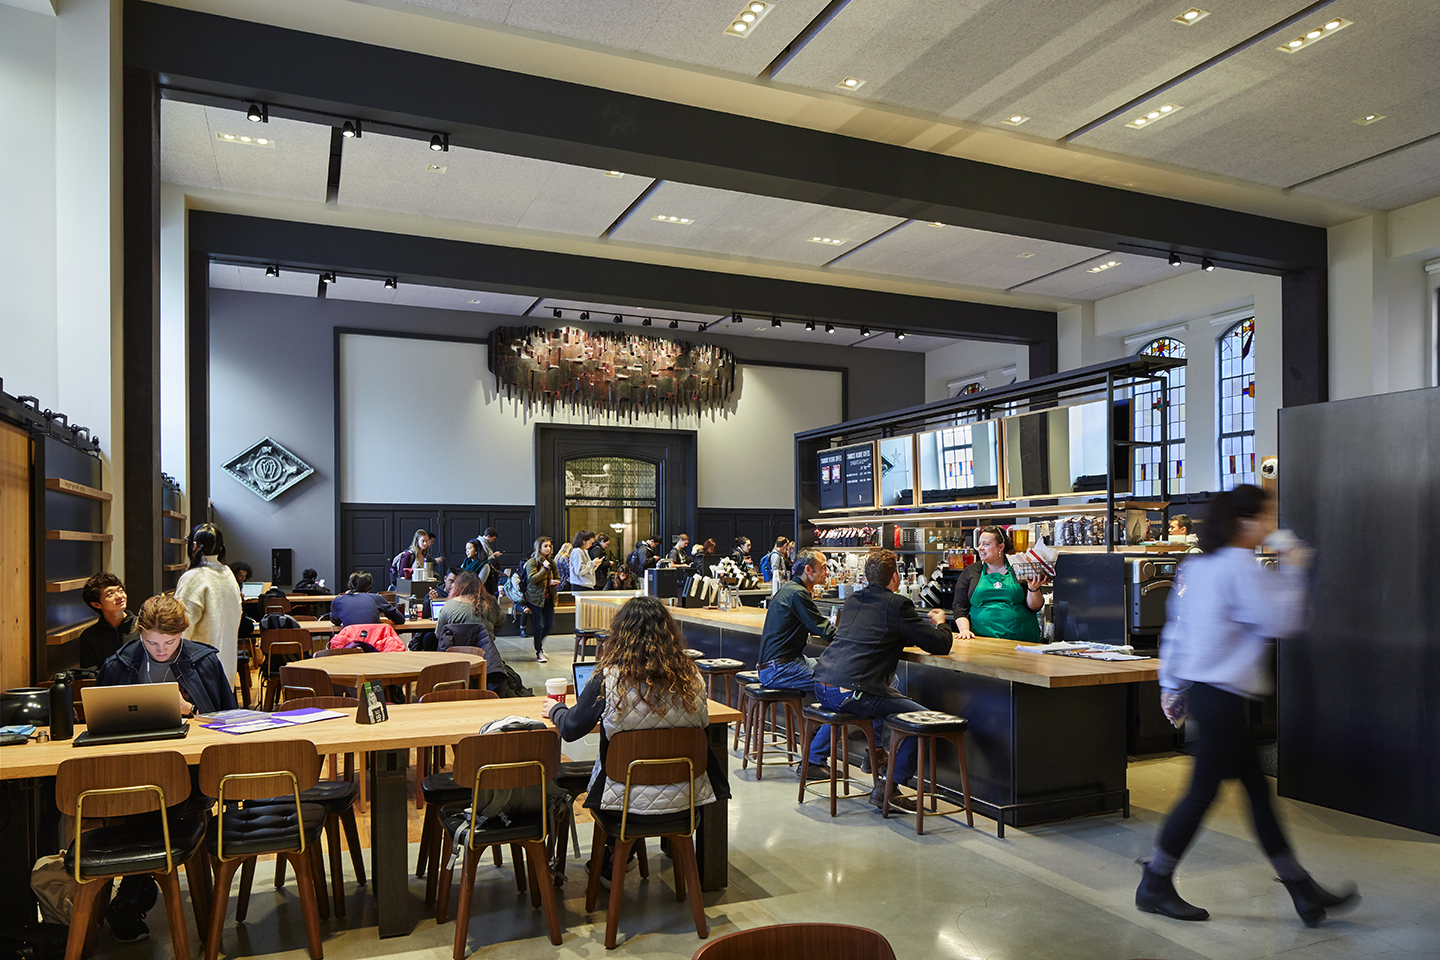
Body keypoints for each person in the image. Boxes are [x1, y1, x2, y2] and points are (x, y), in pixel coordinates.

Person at [1138, 485, 1358, 927]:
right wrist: (1294, 569)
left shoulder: (1199, 567)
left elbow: (1177, 632)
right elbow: (1285, 621)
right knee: (1204, 793)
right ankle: (1155, 882)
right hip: (1223, 696)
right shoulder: (1240, 567)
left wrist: (1171, 686)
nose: (1274, 520)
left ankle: (1301, 888)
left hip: (1209, 693)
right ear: (1246, 521)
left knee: (1256, 794)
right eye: (1269, 513)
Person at [541, 596, 727, 876]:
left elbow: (569, 730)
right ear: (669, 634)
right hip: (685, 800)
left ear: (620, 634)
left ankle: (614, 858)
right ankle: (621, 857)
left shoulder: (609, 678)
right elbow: (700, 729)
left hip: (622, 804)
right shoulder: (692, 677)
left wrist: (556, 708)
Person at [96, 595, 237, 941]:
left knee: (163, 797)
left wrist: (188, 708)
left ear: (183, 634)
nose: (160, 650)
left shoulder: (203, 661)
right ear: (140, 633)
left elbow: (230, 720)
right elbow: (99, 722)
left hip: (190, 774)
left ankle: (131, 895)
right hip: (132, 770)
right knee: (156, 796)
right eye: (152, 642)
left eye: (170, 643)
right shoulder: (119, 665)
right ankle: (139, 890)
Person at [809, 549, 954, 812]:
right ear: (896, 577)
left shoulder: (854, 600)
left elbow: (886, 633)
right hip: (852, 690)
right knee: (918, 720)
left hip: (822, 684)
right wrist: (942, 623)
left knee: (888, 693)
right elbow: (940, 644)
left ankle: (874, 756)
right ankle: (889, 787)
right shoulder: (897, 604)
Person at [173, 522, 243, 686]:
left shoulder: (193, 578)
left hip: (199, 670)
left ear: (194, 545)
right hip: (226, 666)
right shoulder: (228, 574)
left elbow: (179, 626)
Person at [756, 546, 833, 694]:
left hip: (786, 662)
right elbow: (825, 631)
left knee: (830, 666)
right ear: (808, 570)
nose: (827, 573)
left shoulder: (791, 588)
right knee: (837, 683)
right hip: (779, 669)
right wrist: (853, 640)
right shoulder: (798, 593)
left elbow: (813, 625)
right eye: (823, 568)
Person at [951, 526, 1048, 643]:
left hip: (1021, 640)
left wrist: (1033, 589)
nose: (980, 548)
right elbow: (960, 605)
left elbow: (1035, 607)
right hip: (981, 640)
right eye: (979, 544)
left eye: (986, 544)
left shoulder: (1020, 567)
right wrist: (964, 630)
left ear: (1000, 547)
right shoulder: (971, 571)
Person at [76, 572, 138, 670]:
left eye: (120, 591)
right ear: (96, 604)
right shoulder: (89, 637)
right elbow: (90, 675)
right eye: (110, 594)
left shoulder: (143, 627)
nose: (119, 596)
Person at [435, 570, 504, 641]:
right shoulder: (490, 603)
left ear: (458, 586)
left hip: (457, 650)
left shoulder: (449, 605)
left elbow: (439, 634)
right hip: (484, 649)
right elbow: (501, 622)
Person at [330, 571, 407, 627]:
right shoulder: (376, 599)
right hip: (373, 643)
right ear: (369, 587)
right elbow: (400, 619)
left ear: (350, 585)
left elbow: (335, 621)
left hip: (349, 644)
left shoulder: (338, 601)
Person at [524, 536, 557, 663]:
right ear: (539, 548)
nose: (548, 549)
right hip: (535, 598)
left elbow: (556, 575)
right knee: (538, 626)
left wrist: (554, 582)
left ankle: (539, 644)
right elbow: (532, 579)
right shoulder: (532, 562)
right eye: (545, 546)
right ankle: (538, 651)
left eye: (549, 546)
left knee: (549, 625)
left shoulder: (552, 562)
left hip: (549, 597)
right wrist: (544, 569)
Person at [477, 527, 504, 596]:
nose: (493, 541)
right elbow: (483, 559)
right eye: (493, 539)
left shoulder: (484, 543)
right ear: (488, 536)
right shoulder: (481, 544)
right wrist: (494, 555)